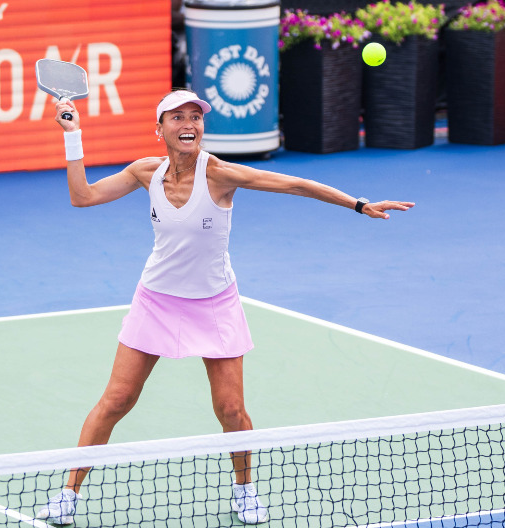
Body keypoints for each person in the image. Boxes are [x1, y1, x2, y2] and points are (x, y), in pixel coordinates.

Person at [35, 90, 414, 525]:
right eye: (177, 117)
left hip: (214, 303)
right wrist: (73, 135)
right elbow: (82, 196)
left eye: (195, 117)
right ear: (159, 129)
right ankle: (68, 493)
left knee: (231, 410)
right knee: (117, 400)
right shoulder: (145, 172)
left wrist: (359, 204)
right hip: (156, 300)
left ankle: (244, 489)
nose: (189, 124)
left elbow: (295, 184)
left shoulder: (219, 174)